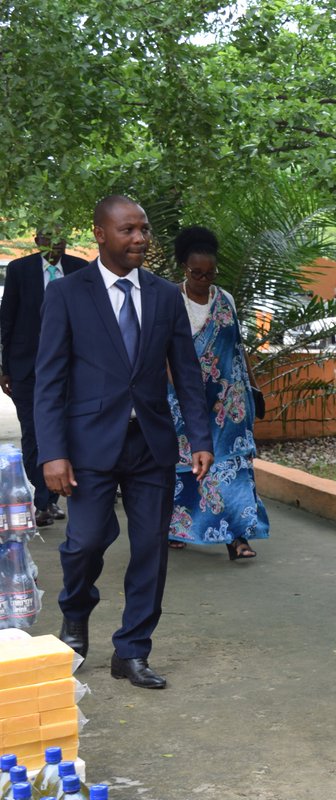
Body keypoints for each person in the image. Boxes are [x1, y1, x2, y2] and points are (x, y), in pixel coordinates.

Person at [35, 195, 213, 690]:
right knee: (85, 542)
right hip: (88, 444)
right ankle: (75, 610)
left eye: (144, 230)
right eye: (127, 230)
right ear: (99, 233)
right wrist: (52, 451)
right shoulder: (68, 294)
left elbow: (187, 372)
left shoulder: (162, 296)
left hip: (150, 443)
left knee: (151, 549)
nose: (139, 239)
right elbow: (49, 380)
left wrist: (199, 436)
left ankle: (132, 650)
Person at [166, 226, 269, 560]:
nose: (204, 279)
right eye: (197, 273)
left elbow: (237, 348)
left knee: (232, 466)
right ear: (184, 267)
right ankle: (177, 528)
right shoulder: (170, 298)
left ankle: (237, 538)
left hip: (229, 402)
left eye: (210, 273)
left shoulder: (226, 300)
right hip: (183, 399)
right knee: (184, 466)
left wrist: (252, 386)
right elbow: (160, 351)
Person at [0, 230, 88, 526]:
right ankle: (44, 500)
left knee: (65, 428)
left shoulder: (80, 269)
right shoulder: (19, 270)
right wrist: (4, 368)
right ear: (37, 241)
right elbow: (6, 318)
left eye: (60, 237)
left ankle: (52, 498)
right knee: (33, 433)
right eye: (48, 237)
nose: (56, 243)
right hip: (27, 370)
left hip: (72, 369)